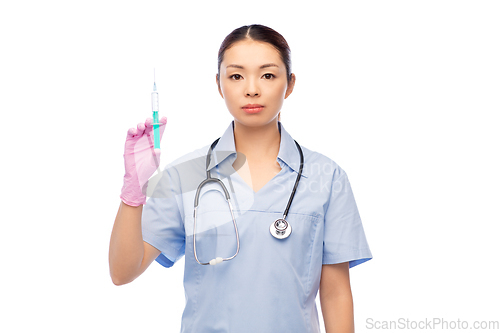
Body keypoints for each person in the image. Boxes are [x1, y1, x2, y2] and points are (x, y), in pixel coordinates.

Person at [109, 24, 372, 333]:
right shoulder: (187, 175)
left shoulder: (326, 177)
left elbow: (336, 293)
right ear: (219, 85)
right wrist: (133, 192)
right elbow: (123, 272)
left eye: (268, 75)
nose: (251, 89)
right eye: (236, 76)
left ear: (289, 84)